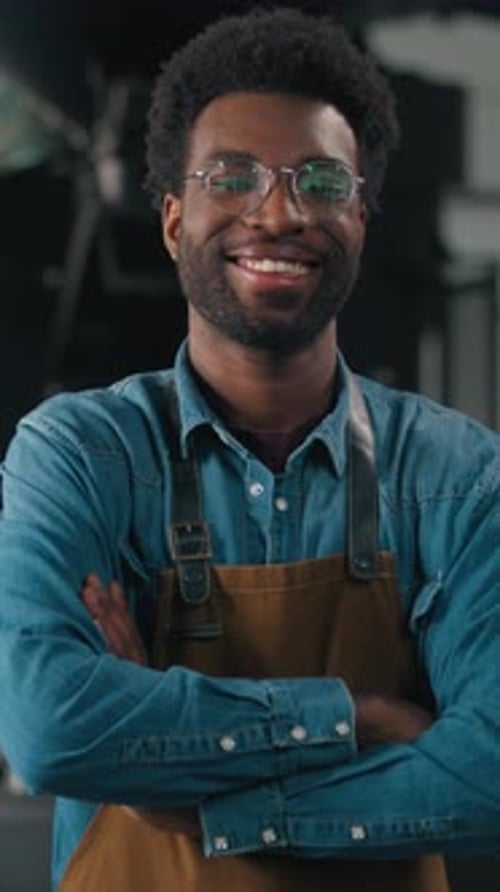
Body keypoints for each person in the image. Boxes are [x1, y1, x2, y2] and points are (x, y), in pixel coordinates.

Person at [1, 7, 500, 891]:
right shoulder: (79, 455)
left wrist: (214, 808)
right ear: (170, 219)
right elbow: (50, 729)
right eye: (232, 176)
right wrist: (364, 716)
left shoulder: (456, 477)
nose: (278, 212)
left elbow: (490, 770)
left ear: (361, 221)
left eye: (321, 179)